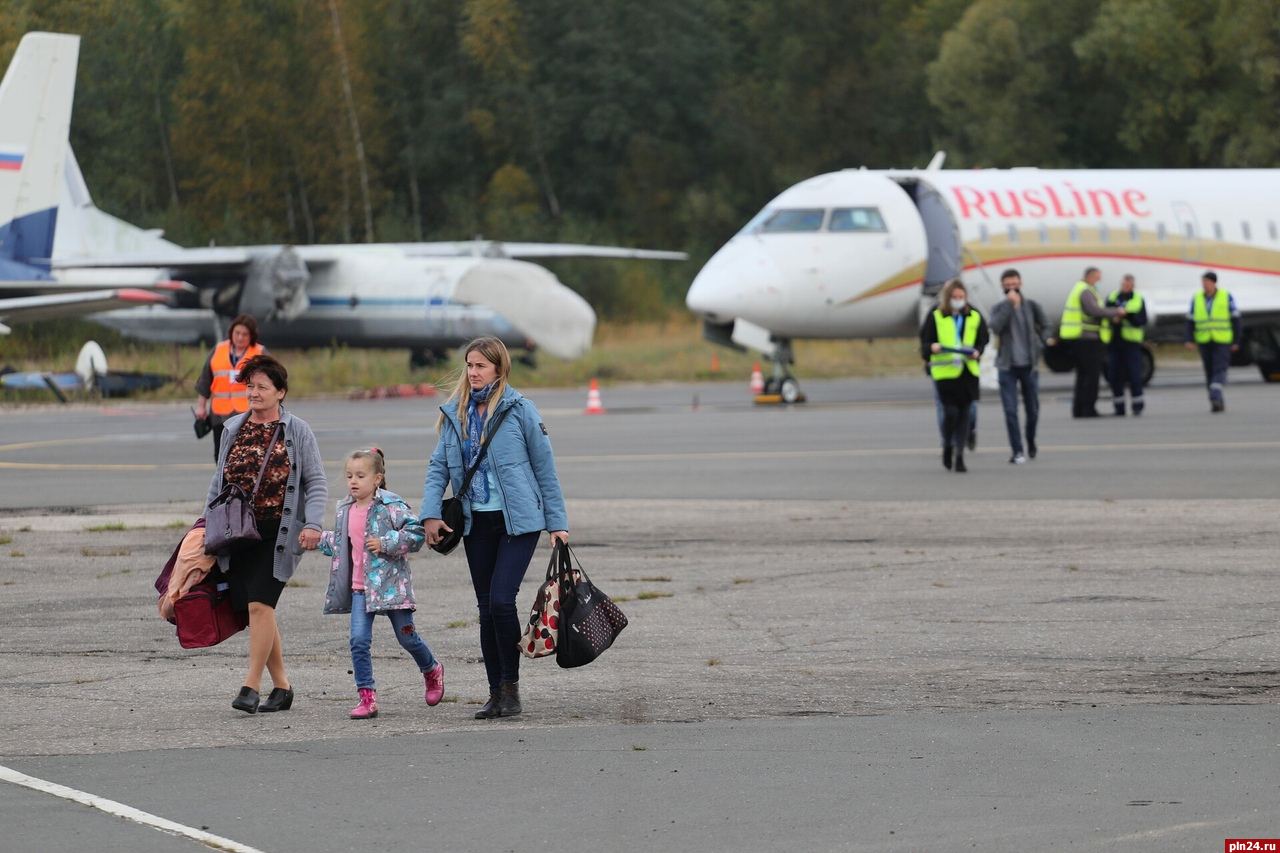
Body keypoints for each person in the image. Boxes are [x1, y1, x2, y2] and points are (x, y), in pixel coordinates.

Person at [420, 336, 568, 719]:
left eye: (480, 366)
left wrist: (557, 523)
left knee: (502, 601)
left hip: (518, 521)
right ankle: (495, 692)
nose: (473, 373)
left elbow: (544, 468)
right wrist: (430, 514)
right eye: (469, 365)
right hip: (475, 521)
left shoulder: (521, 410)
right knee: (486, 609)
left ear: (499, 368)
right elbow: (438, 468)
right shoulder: (456, 413)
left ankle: (512, 687)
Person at [205, 353, 327, 714]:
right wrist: (203, 526)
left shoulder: (298, 430)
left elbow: (315, 480)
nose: (254, 393)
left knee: (260, 604)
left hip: (280, 533)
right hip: (238, 532)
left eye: (262, 387)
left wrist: (314, 524)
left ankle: (250, 686)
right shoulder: (232, 428)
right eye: (250, 386)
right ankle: (283, 687)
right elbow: (218, 483)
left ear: (280, 392)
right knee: (259, 610)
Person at [320, 448, 441, 719]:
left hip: (391, 586)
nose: (353, 481)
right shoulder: (345, 509)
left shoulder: (391, 505)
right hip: (360, 588)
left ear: (377, 479)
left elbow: (416, 533)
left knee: (407, 637)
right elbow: (341, 542)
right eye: (349, 475)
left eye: (360, 476)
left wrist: (386, 543)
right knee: (358, 641)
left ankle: (431, 669)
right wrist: (317, 539)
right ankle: (367, 696)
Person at [920, 279, 988, 473]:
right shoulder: (936, 316)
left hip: (967, 372)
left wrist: (978, 351)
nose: (958, 300)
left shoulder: (974, 316)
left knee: (965, 413)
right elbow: (925, 344)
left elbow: (983, 339)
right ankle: (947, 445)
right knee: (950, 413)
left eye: (961, 297)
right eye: (955, 297)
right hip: (945, 372)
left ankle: (960, 456)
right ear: (947, 298)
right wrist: (931, 348)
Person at [988, 268, 1054, 464]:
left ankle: (1031, 440)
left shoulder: (1032, 306)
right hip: (1007, 366)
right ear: (1002, 287)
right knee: (1010, 410)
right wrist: (1009, 306)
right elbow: (995, 327)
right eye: (1007, 285)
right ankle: (1017, 450)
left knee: (1032, 409)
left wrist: (1040, 344)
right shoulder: (999, 308)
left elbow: (1048, 326)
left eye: (1014, 284)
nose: (1011, 288)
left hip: (1029, 366)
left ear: (1020, 284)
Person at [195, 315, 266, 460]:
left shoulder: (259, 353)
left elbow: (272, 384)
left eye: (245, 334)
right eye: (237, 333)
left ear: (251, 335)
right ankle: (223, 483)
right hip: (220, 415)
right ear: (231, 333)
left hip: (249, 415)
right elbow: (204, 380)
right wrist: (201, 407)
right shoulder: (218, 350)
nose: (240, 338)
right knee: (221, 456)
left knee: (247, 456)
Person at [1058, 267, 1124, 418]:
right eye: (1098, 278)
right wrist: (1115, 311)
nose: (1099, 282)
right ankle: (1088, 409)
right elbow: (1094, 311)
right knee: (1091, 376)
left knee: (1082, 376)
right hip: (1087, 339)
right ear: (1090, 277)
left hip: (1081, 338)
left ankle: (1079, 410)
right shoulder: (1086, 291)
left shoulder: (1079, 289)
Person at [1184, 271, 1242, 413]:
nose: (1204, 284)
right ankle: (1216, 401)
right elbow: (1190, 321)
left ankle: (1215, 394)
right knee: (1209, 371)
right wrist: (1189, 339)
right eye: (1202, 281)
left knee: (1220, 368)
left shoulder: (1225, 297)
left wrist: (1236, 340)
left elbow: (1236, 320)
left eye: (1206, 282)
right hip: (1204, 340)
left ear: (1213, 282)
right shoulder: (1197, 298)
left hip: (1222, 340)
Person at [1103, 274, 1148, 416]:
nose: (1125, 286)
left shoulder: (1138, 300)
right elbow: (1105, 313)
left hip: (1131, 343)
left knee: (1134, 375)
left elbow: (1141, 320)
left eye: (1128, 284)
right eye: (1123, 284)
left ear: (1132, 285)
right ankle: (1119, 407)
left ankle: (1137, 405)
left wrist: (1126, 315)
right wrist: (1114, 318)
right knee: (1114, 375)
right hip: (1115, 342)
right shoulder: (1112, 298)